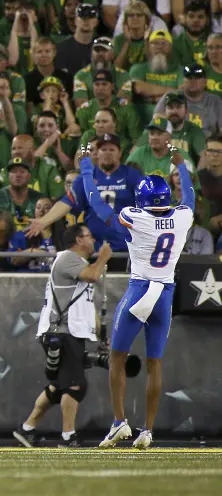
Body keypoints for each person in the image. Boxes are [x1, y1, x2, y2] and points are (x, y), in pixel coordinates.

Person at [90, 148, 194, 450]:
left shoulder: (135, 217)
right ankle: (147, 430)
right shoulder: (182, 217)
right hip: (165, 294)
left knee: (117, 358)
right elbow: (188, 199)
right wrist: (181, 166)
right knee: (155, 364)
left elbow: (99, 206)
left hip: (140, 289)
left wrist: (87, 169)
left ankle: (119, 422)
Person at [13, 224, 112, 449]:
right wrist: (104, 257)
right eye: (89, 235)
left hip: (70, 331)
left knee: (60, 385)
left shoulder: (78, 263)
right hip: (61, 331)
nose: (93, 239)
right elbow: (93, 276)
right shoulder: (68, 259)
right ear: (78, 240)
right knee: (76, 385)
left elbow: (86, 304)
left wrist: (99, 334)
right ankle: (69, 436)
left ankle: (26, 429)